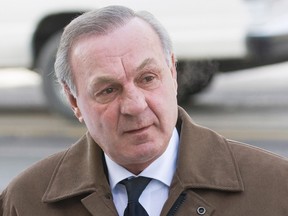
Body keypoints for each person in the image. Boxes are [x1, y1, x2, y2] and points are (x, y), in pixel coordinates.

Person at [1, 5, 288, 216]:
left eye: (147, 79)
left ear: (172, 73)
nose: (135, 106)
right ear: (74, 102)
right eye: (108, 90)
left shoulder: (275, 189)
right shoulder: (25, 202)